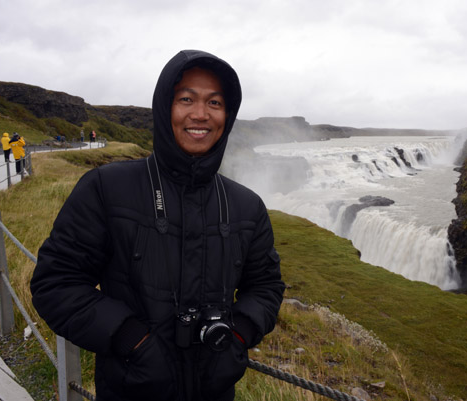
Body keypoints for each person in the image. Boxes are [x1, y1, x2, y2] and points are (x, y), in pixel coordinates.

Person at [30, 50, 285, 401]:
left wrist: (237, 336)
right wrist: (132, 340)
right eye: (186, 99)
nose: (200, 114)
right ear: (165, 108)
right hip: (130, 389)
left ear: (227, 114)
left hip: (216, 392)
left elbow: (267, 287)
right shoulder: (106, 189)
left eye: (214, 102)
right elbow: (56, 283)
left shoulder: (246, 206)